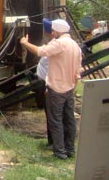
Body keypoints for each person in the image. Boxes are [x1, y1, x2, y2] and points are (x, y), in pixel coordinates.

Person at [20, 18, 82, 159]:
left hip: (56, 88)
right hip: (69, 88)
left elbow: (40, 51)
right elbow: (78, 71)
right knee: (69, 120)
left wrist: (24, 43)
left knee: (56, 121)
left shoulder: (60, 44)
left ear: (59, 31)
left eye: (53, 31)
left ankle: (59, 152)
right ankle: (70, 149)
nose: (52, 33)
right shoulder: (75, 46)